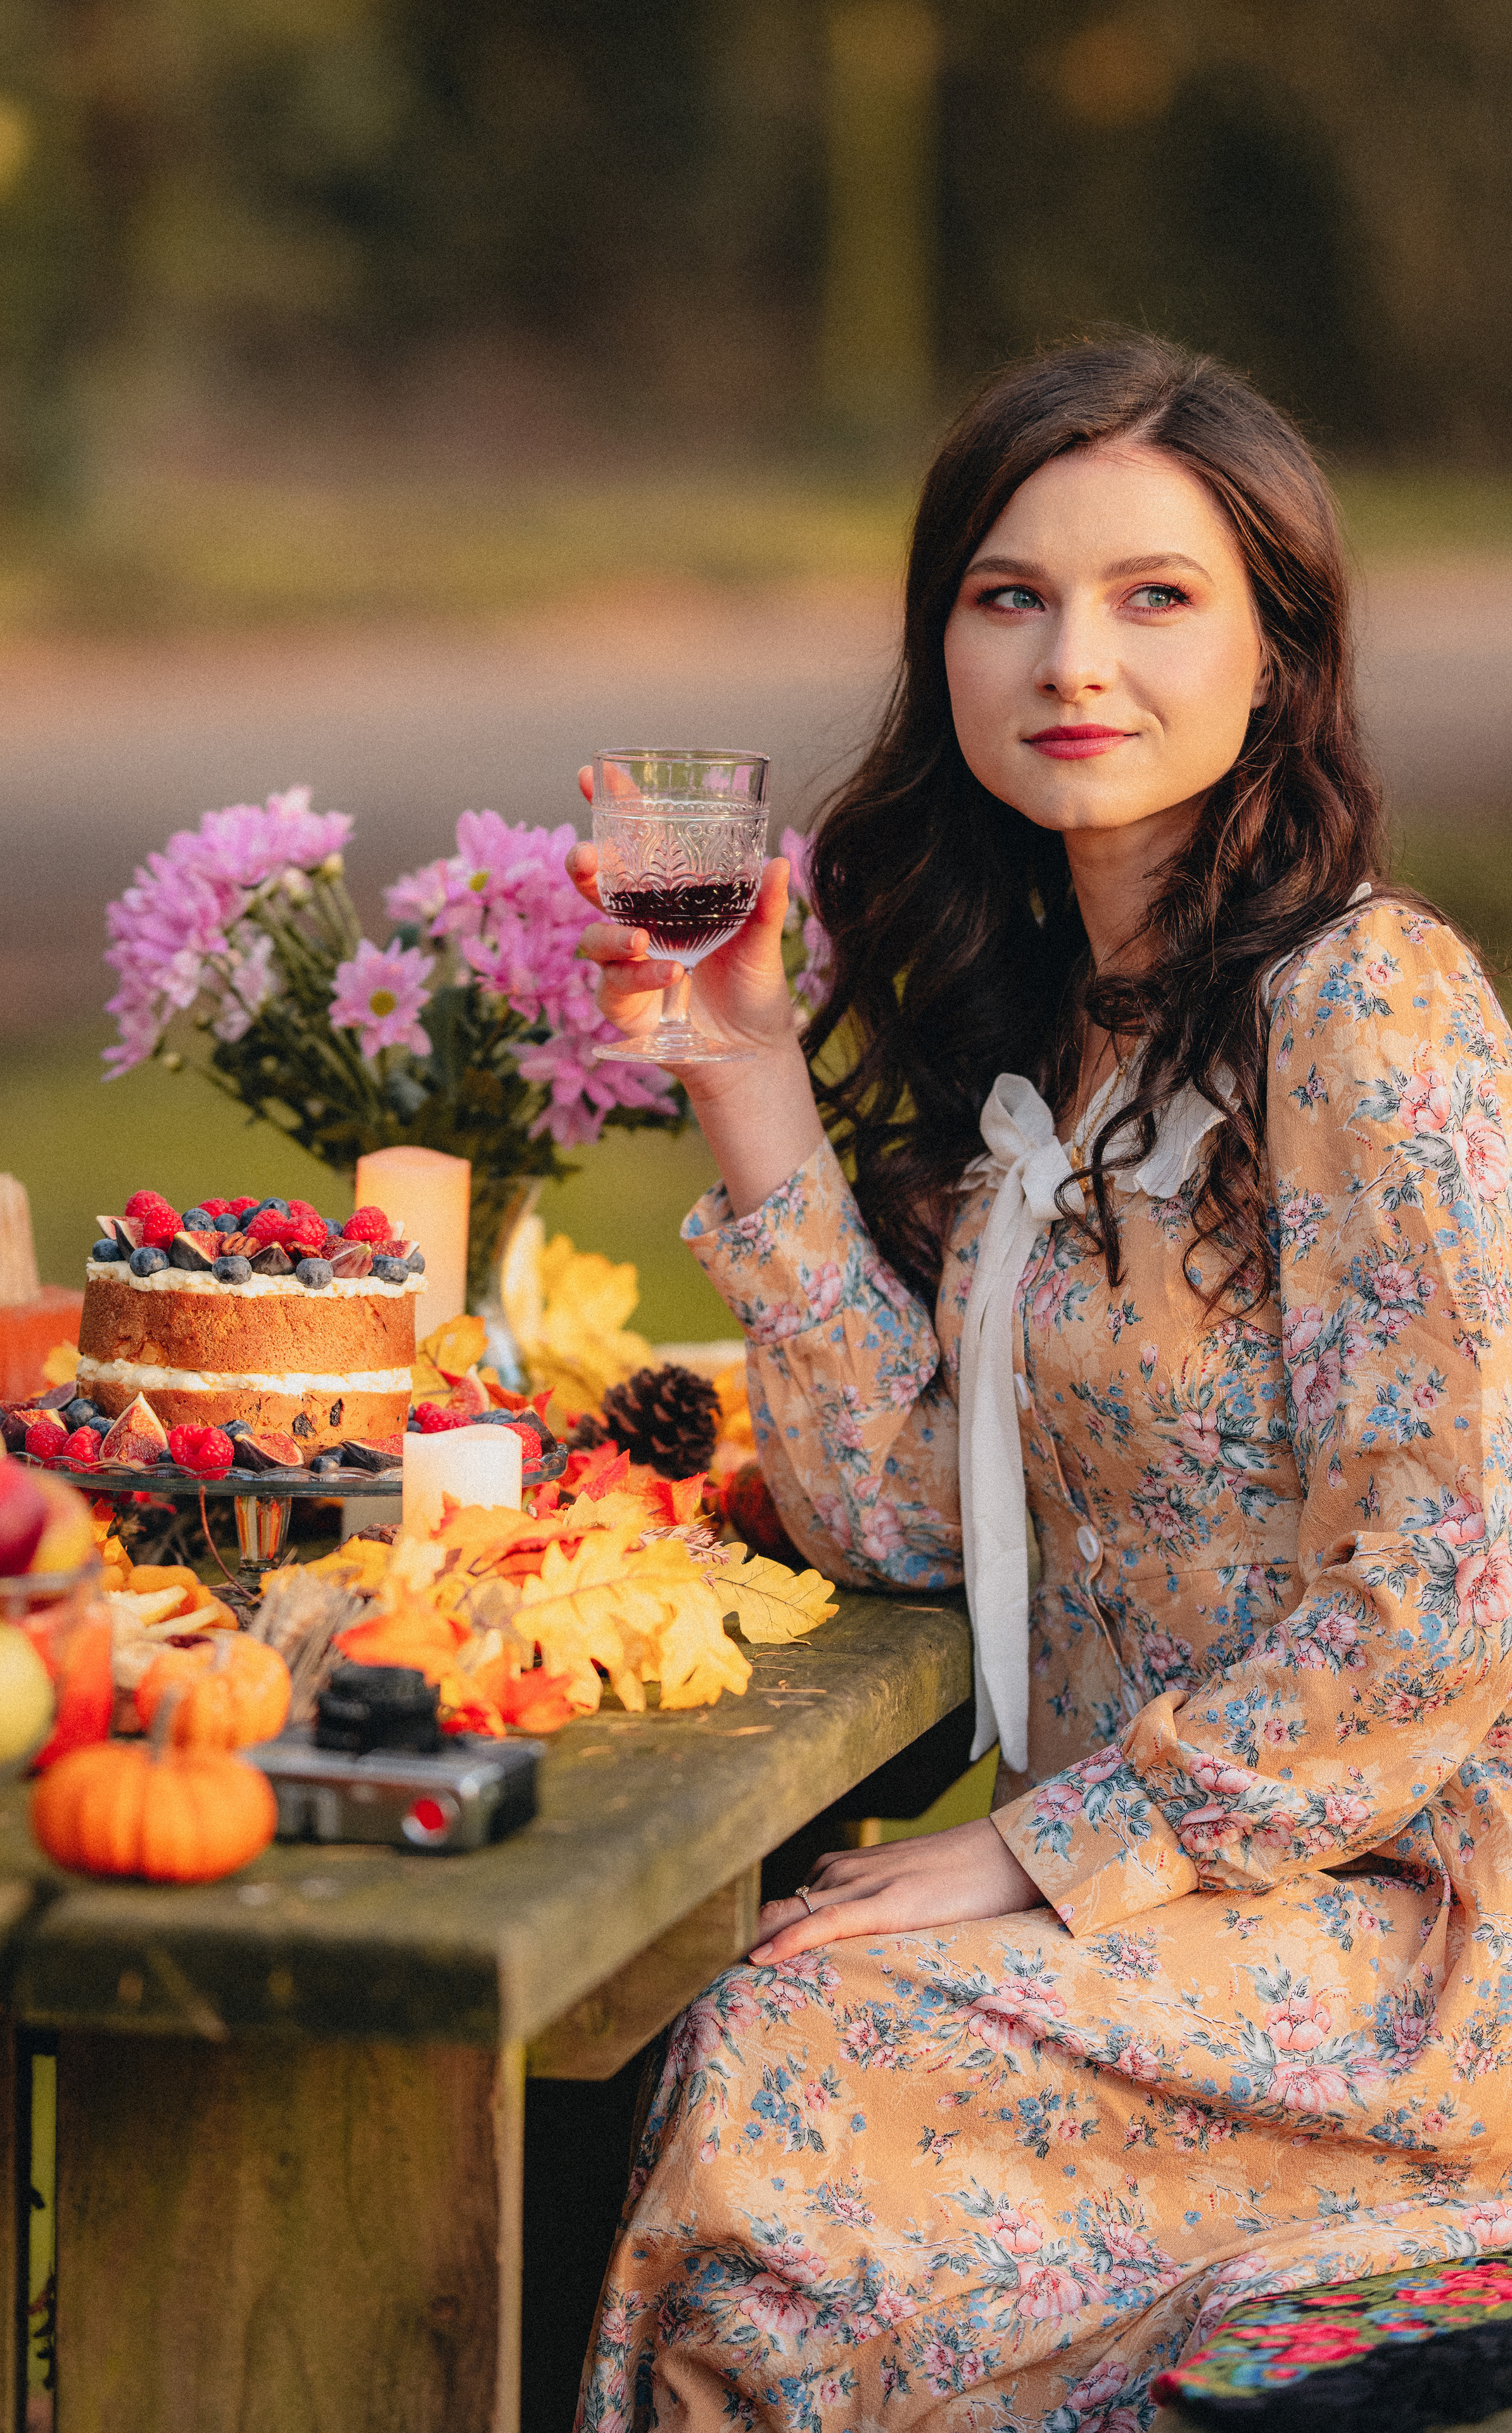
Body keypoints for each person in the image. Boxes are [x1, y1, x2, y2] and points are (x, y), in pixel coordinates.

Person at [565, 336, 1512, 2432]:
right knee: (692, 2031)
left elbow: (1451, 1595)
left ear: (1279, 654)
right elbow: (908, 1518)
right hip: (1184, 1909)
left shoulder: (1369, 1010)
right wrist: (737, 1070)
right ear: (945, 650)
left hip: (1421, 1938)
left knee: (786, 2066)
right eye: (1011, 596)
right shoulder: (1074, 1052)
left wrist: (1043, 1850)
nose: (1074, 655)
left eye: (1156, 595)